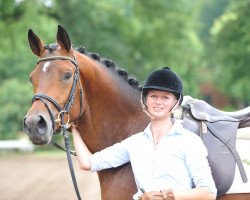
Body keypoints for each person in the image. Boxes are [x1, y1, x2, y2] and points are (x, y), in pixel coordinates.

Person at [70, 67, 217, 200]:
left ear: (176, 103)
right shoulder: (134, 143)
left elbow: (208, 192)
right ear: (145, 99)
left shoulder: (189, 141)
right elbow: (88, 163)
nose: (158, 102)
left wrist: (167, 195)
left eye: (165, 97)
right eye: (153, 96)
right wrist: (75, 129)